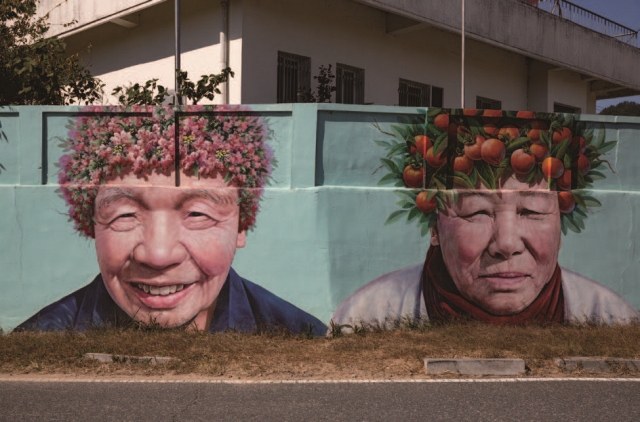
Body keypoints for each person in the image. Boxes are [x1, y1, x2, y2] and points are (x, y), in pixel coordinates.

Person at [17, 106, 326, 336]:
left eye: (197, 214)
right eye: (125, 215)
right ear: (92, 225)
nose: (158, 256)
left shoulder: (301, 335)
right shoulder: (43, 334)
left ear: (242, 224)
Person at [331, 110, 639, 329]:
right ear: (435, 228)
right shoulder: (366, 315)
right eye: (477, 212)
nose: (506, 244)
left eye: (530, 211)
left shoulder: (613, 317)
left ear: (560, 223)